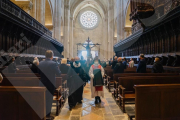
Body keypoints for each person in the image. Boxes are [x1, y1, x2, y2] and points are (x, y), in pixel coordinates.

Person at [38, 50, 61, 119]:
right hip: (50, 84)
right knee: (49, 99)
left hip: (42, 83)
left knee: (43, 99)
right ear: (52, 56)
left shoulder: (40, 63)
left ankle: (42, 114)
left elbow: (39, 73)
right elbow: (58, 73)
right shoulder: (53, 63)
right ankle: (48, 115)